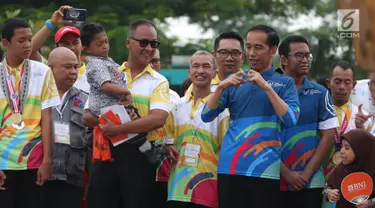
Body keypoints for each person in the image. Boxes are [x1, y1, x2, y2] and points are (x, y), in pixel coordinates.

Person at [201, 25, 300, 208]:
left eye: (258, 47)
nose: (251, 53)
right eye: (248, 47)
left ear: (273, 50)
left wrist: (267, 87)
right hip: (229, 167)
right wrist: (221, 87)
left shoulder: (285, 83)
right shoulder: (235, 80)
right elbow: (206, 115)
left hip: (265, 169)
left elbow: (291, 119)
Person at [83, 19, 170, 208]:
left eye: (154, 44)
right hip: (105, 156)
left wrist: (118, 128)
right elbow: (87, 116)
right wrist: (108, 124)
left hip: (138, 160)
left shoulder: (159, 81)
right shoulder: (106, 73)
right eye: (144, 43)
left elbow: (158, 119)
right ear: (128, 43)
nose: (149, 48)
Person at [0, 17, 60, 208]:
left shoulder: (43, 72)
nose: (28, 45)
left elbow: (47, 117)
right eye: (21, 40)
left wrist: (47, 160)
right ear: (5, 43)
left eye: (30, 39)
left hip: (33, 160)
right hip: (3, 162)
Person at [278, 35, 339, 208]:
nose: (305, 60)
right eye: (299, 56)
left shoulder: (320, 93)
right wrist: (287, 174)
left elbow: (328, 136)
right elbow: (263, 137)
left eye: (308, 55)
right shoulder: (270, 90)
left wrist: (305, 175)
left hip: (311, 181)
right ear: (283, 59)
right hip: (273, 177)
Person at [166, 51, 229, 208]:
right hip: (177, 188)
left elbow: (226, 151)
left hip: (208, 188)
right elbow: (166, 138)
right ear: (189, 72)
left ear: (214, 73)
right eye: (196, 66)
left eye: (206, 66)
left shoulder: (221, 110)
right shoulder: (176, 106)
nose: (200, 71)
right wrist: (167, 144)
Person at [42, 47, 89, 208]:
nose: (73, 72)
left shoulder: (86, 101)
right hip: (41, 177)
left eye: (76, 67)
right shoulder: (37, 98)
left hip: (73, 179)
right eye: (67, 67)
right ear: (50, 69)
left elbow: (91, 143)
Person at [324, 61, 372, 180]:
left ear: (354, 85)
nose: (342, 87)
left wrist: (360, 128)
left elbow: (370, 153)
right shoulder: (318, 113)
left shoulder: (364, 117)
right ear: (328, 83)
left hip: (352, 179)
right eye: (337, 81)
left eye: (347, 82)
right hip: (320, 176)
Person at [30, 5, 90, 93]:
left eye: (75, 42)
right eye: (65, 44)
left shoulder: (92, 75)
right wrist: (52, 23)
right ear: (57, 47)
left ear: (82, 45)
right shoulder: (51, 68)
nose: (71, 47)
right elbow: (30, 51)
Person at [82, 23, 131, 117]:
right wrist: (126, 92)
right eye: (99, 44)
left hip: (113, 108)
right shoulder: (96, 63)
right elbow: (106, 86)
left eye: (106, 41)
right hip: (106, 110)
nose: (104, 46)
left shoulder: (105, 60)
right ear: (87, 49)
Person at [323, 129, 375, 208]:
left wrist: (371, 203)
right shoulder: (341, 169)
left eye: (347, 148)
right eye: (341, 147)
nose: (341, 151)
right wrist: (329, 193)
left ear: (361, 150)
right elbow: (327, 187)